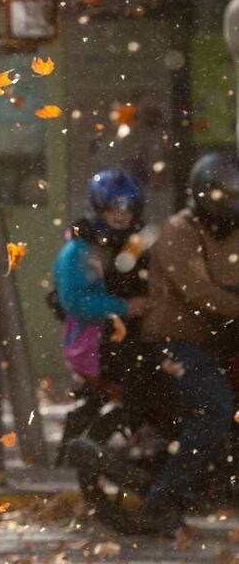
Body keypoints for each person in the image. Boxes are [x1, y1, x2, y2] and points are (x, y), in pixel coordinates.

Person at [136, 152, 239, 532]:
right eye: (225, 196)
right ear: (204, 195)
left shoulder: (231, 229)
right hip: (173, 343)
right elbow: (200, 292)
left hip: (217, 339)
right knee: (215, 408)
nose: (231, 204)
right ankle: (161, 501)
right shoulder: (179, 230)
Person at [52, 170, 151, 458]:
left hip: (121, 337)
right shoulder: (79, 250)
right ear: (98, 208)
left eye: (128, 208)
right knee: (139, 384)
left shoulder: (134, 243)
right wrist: (126, 307)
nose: (121, 215)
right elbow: (75, 303)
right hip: (91, 343)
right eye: (113, 208)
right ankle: (111, 445)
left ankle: (90, 443)